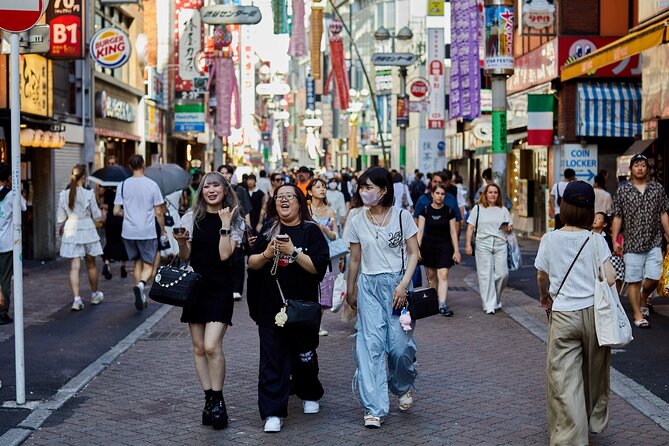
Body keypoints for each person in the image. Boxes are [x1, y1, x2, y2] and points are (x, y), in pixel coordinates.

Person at [535, 181, 616, 446]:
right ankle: (591, 419)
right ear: (589, 211)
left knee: (563, 378)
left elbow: (541, 276)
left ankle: (572, 437)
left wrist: (544, 296)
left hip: (563, 315)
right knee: (592, 375)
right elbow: (611, 278)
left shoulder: (549, 238)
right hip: (594, 316)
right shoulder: (596, 241)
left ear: (564, 208)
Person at [246, 183, 329, 433]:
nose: (283, 200)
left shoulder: (311, 231)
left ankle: (309, 392)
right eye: (279, 197)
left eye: (289, 197)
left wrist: (293, 252)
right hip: (271, 306)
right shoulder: (269, 229)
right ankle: (272, 411)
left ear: (299, 202)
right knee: (272, 358)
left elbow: (318, 268)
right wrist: (267, 254)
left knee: (304, 354)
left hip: (302, 307)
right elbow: (251, 263)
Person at [344, 167, 419, 429]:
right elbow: (354, 259)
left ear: (384, 190)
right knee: (371, 347)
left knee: (400, 348)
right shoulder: (356, 220)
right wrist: (350, 288)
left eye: (369, 188)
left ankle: (402, 384)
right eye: (361, 188)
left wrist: (403, 285)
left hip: (399, 288)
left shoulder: (402, 216)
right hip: (369, 288)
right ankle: (374, 407)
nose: (364, 192)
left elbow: (414, 253)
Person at [173, 171, 244, 430]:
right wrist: (181, 243)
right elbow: (185, 256)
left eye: (216, 186)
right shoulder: (191, 218)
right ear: (201, 191)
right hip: (196, 288)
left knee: (212, 345)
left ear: (225, 190)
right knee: (198, 347)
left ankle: (218, 399)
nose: (211, 190)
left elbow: (225, 255)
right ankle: (209, 399)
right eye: (206, 186)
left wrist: (225, 224)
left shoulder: (235, 220)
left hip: (220, 289)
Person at [610, 153, 669, 328]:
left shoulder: (657, 189)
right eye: (636, 165)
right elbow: (617, 217)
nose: (640, 168)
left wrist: (668, 234)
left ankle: (644, 297)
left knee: (654, 277)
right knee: (633, 280)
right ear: (631, 169)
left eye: (643, 165)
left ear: (648, 168)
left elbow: (664, 213)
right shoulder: (623, 191)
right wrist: (615, 240)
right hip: (632, 243)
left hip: (654, 242)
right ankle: (637, 315)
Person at [113, 154, 165, 312]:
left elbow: (116, 211)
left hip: (128, 232)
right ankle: (142, 285)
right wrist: (162, 230)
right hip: (147, 231)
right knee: (148, 264)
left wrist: (128, 215)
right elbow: (159, 212)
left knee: (136, 262)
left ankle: (140, 294)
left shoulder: (122, 185)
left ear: (130, 166)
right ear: (143, 165)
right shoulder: (152, 185)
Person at [57, 165, 105, 311]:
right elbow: (97, 216)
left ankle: (76, 300)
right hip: (88, 230)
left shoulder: (63, 195)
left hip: (71, 229)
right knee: (91, 264)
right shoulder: (88, 194)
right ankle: (95, 294)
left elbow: (60, 218)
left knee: (74, 267)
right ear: (84, 177)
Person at [464, 183, 513, 314]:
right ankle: (489, 305)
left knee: (503, 274)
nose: (493, 195)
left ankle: (495, 298)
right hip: (483, 243)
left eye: (495, 192)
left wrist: (508, 228)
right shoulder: (478, 209)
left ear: (498, 195)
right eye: (490, 192)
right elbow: (470, 227)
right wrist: (468, 244)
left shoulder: (503, 210)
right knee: (485, 275)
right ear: (485, 194)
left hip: (500, 243)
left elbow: (509, 229)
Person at [417, 184, 461, 317]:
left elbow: (453, 231)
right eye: (437, 193)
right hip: (428, 246)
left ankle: (442, 304)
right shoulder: (425, 210)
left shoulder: (449, 211)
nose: (440, 196)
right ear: (432, 194)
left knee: (443, 275)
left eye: (442, 194)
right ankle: (434, 301)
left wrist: (457, 250)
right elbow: (420, 231)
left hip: (445, 246)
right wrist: (417, 249)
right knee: (431, 277)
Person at [307, 178, 339, 337]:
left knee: (324, 290)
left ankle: (317, 323)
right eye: (318, 187)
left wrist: (324, 230)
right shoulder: (305, 210)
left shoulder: (330, 211)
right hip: (306, 254)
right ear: (310, 191)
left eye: (324, 187)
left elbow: (335, 236)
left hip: (325, 256)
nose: (322, 189)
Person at [218, 164, 252, 301]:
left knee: (237, 259)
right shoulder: (216, 191)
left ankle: (237, 289)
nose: (225, 175)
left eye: (227, 173)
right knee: (224, 258)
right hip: (221, 228)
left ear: (232, 175)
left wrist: (248, 229)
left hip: (237, 228)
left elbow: (247, 211)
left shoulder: (240, 190)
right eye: (222, 173)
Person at [0, 163, 26, 325]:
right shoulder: (11, 195)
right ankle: (3, 311)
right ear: (9, 178)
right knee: (5, 279)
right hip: (6, 244)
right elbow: (23, 207)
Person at [593, 212, 625, 293]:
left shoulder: (608, 238)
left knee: (616, 261)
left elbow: (612, 251)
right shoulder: (588, 235)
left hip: (606, 263)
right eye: (595, 217)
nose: (595, 219)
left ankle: (615, 295)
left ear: (604, 224)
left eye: (599, 218)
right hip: (594, 262)